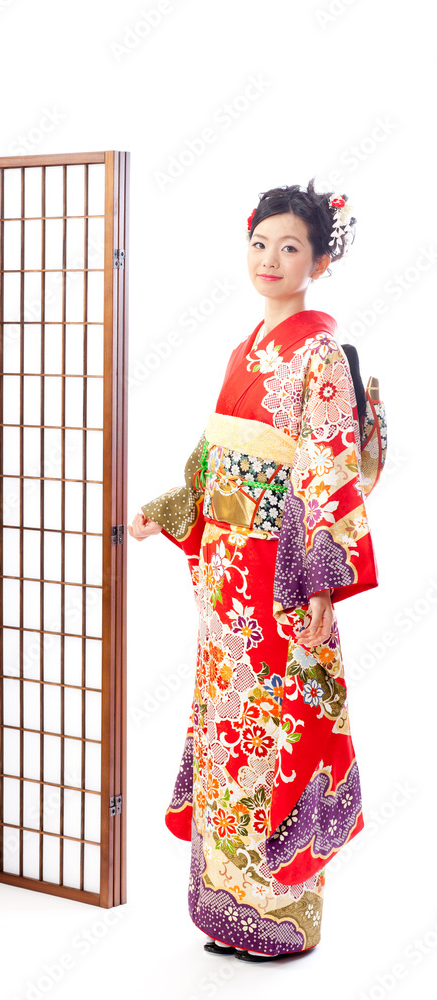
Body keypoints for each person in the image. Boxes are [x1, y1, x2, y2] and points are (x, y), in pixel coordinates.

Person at [128, 179, 387, 962]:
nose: (269, 259)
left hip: (281, 582)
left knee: (279, 733)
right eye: (259, 243)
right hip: (226, 584)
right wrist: (171, 509)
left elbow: (325, 468)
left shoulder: (318, 355)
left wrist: (319, 583)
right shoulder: (245, 349)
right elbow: (216, 458)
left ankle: (282, 915)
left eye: (289, 247)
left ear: (319, 262)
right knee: (225, 729)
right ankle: (226, 907)